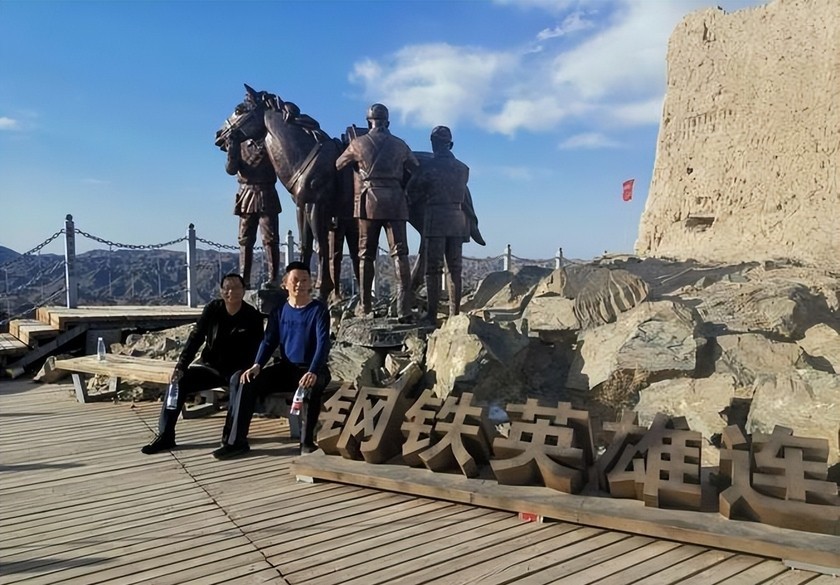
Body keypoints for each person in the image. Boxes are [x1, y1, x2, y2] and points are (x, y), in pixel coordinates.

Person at [213, 261, 331, 459]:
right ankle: (236, 442)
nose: (300, 284)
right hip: (286, 368)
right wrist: (257, 365)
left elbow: (323, 345)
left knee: (312, 387)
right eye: (295, 280)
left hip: (313, 369)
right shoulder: (279, 311)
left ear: (311, 283)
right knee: (245, 381)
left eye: (305, 280)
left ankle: (307, 442)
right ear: (285, 284)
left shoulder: (319, 310)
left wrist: (313, 370)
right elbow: (268, 341)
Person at [141, 273, 264, 455]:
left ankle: (233, 441)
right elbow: (196, 337)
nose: (231, 292)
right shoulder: (213, 309)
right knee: (179, 380)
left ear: (244, 290)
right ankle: (165, 435)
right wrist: (181, 365)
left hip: (237, 370)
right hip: (211, 367)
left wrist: (250, 368)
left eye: (236, 288)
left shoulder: (252, 316)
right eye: (227, 288)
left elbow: (257, 349)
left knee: (239, 382)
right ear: (221, 291)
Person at [335, 103, 419, 319]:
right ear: (387, 122)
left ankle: (365, 307)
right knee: (400, 253)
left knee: (366, 255)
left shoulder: (358, 143)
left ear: (368, 122)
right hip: (396, 202)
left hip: (368, 202)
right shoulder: (400, 144)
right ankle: (404, 309)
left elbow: (338, 164)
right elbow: (415, 168)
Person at [406, 126, 484, 323]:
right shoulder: (463, 168)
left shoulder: (427, 167)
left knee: (433, 270)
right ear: (451, 144)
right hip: (457, 220)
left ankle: (431, 315)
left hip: (436, 220)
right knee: (455, 269)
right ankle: (454, 314)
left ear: (433, 144)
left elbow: (412, 193)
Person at [225, 95, 282, 289]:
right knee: (245, 239)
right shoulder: (241, 144)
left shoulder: (272, 144)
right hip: (246, 193)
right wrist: (232, 149)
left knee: (271, 238)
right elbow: (231, 169)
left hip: (267, 192)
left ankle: (273, 278)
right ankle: (245, 279)